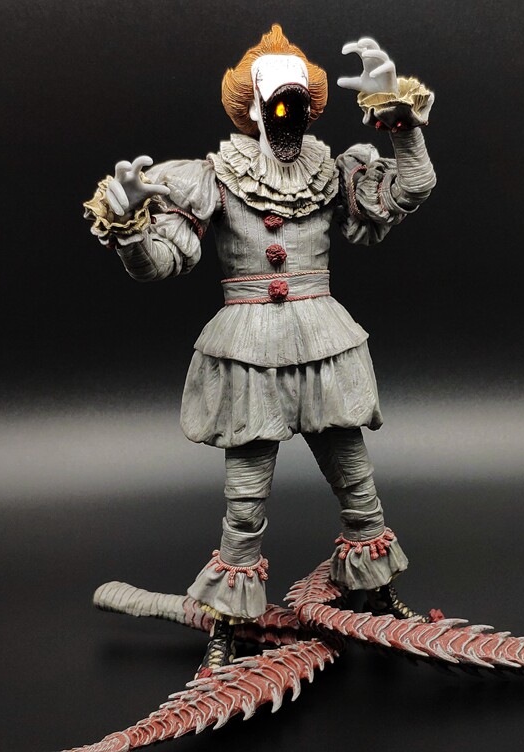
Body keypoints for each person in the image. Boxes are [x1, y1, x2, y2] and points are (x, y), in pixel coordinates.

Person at [84, 24, 436, 678]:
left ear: (310, 106)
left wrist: (398, 118)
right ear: (250, 107)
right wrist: (130, 227)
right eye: (277, 103)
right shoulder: (215, 178)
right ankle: (229, 621)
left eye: (297, 103)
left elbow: (410, 188)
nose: (287, 114)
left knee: (356, 478)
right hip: (251, 353)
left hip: (323, 343)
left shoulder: (331, 171)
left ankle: (376, 593)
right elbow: (161, 264)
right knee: (245, 501)